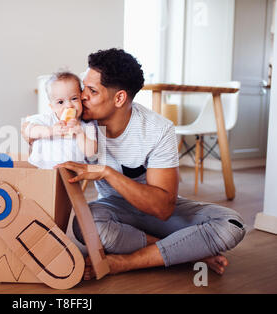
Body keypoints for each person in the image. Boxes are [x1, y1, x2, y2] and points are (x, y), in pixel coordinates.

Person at [53, 48, 246, 280]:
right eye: (84, 88)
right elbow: (37, 125)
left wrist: (107, 173)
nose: (82, 96)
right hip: (116, 213)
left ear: (119, 98)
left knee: (231, 224)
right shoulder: (82, 122)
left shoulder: (157, 129)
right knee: (85, 225)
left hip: (158, 213)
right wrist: (32, 131)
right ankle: (184, 250)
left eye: (92, 91)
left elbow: (163, 209)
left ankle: (127, 262)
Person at [22, 71, 97, 169]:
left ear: (81, 99)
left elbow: (91, 152)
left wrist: (80, 134)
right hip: (41, 170)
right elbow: (28, 130)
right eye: (60, 102)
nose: (69, 105)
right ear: (52, 107)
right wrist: (51, 130)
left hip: (71, 174)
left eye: (74, 98)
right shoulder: (46, 119)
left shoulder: (86, 125)